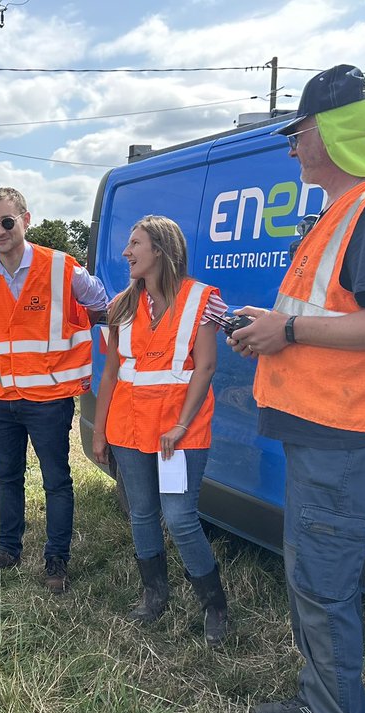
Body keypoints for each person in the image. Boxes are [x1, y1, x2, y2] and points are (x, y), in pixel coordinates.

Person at [228, 65, 365, 713]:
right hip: (321, 432)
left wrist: (287, 329)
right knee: (310, 585)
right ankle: (319, 707)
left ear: (331, 131)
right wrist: (273, 328)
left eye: (297, 132)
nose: (291, 149)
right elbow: (323, 319)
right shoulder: (340, 212)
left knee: (323, 591)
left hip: (344, 437)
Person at [91, 215, 230, 647]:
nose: (127, 252)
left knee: (179, 517)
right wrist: (99, 431)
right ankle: (155, 596)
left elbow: (205, 367)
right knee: (142, 512)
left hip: (178, 432)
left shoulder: (200, 300)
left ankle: (214, 606)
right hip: (129, 427)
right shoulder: (121, 306)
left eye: (135, 244)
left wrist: (182, 425)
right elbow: (111, 372)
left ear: (161, 250)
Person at [0, 187, 109, 594]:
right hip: (1, 399)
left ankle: (56, 559)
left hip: (49, 399)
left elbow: (101, 304)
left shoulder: (62, 268)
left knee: (56, 481)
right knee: (7, 479)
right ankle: (7, 551)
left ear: (26, 219)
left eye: (7, 222)